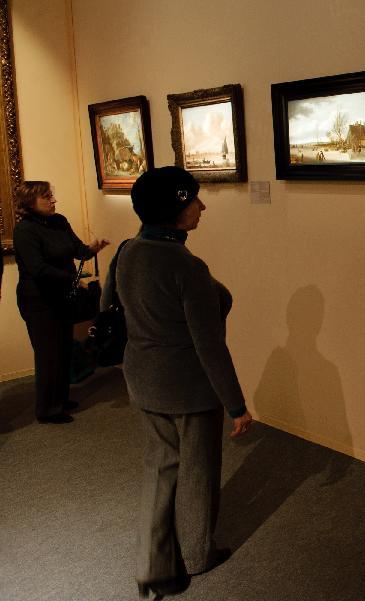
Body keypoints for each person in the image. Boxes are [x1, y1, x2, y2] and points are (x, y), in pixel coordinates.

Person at [115, 166, 252, 598]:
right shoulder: (186, 266)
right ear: (175, 208)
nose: (202, 206)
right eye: (193, 199)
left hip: (142, 378)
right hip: (187, 387)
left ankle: (152, 563)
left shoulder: (127, 251)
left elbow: (116, 308)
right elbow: (209, 345)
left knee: (160, 467)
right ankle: (196, 555)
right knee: (197, 472)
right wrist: (236, 404)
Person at [13, 181, 110, 424]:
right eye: (46, 197)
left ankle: (61, 399)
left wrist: (92, 249)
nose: (53, 200)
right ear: (30, 203)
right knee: (48, 353)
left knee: (64, 349)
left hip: (62, 295)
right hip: (38, 299)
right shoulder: (24, 230)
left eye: (51, 196)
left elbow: (77, 250)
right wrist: (72, 280)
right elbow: (37, 269)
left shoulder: (59, 221)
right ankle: (47, 410)